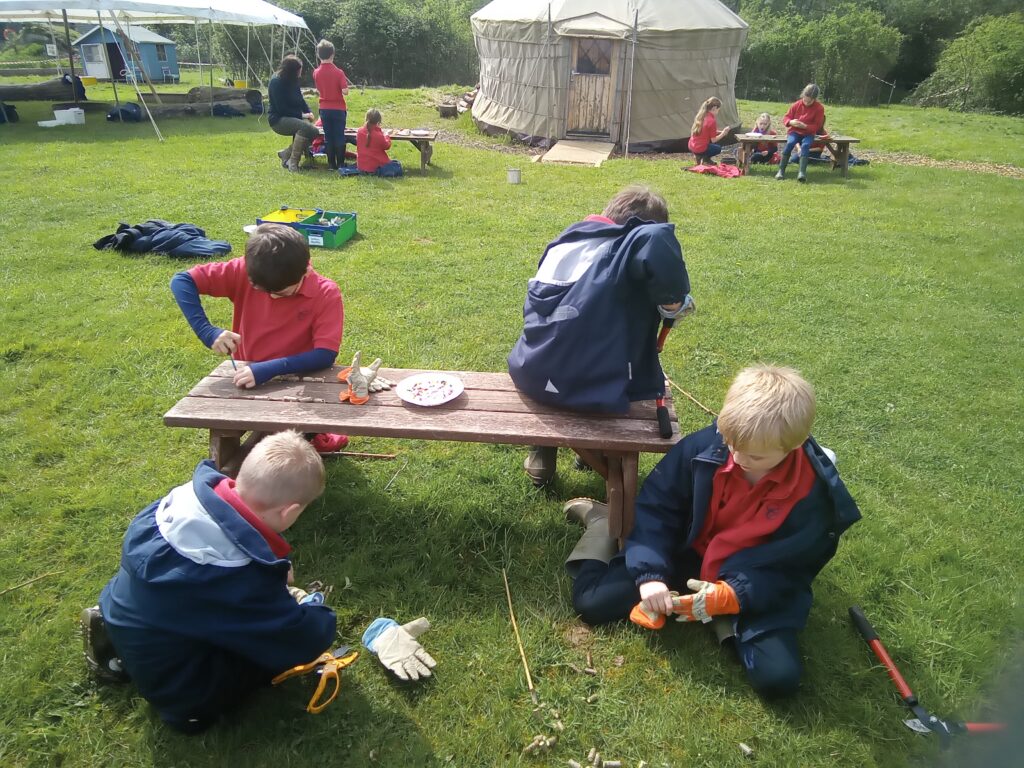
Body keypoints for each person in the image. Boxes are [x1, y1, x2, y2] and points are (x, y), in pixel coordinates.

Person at [564, 365, 861, 697]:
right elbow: (658, 507)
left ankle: (723, 614)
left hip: (747, 573)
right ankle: (603, 524)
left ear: (795, 445)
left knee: (778, 678)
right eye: (731, 442)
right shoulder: (708, 446)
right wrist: (650, 577)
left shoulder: (813, 496)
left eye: (754, 455)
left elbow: (794, 568)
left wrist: (735, 594)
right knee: (592, 603)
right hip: (687, 551)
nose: (737, 456)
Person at [80, 431, 337, 733]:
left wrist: (269, 568)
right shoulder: (239, 579)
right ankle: (188, 711)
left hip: (128, 611)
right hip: (179, 686)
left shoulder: (183, 501)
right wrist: (316, 613)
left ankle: (116, 640)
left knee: (172, 614)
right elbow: (298, 640)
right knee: (260, 657)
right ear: (290, 511)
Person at [508, 185, 693, 486]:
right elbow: (670, 297)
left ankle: (545, 451)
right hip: (588, 389)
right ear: (638, 230)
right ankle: (593, 449)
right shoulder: (636, 244)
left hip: (531, 371)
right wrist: (677, 301)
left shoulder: (565, 242)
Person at [170, 223, 349, 454]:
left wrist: (269, 369)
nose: (273, 297)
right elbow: (182, 281)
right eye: (266, 291)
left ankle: (310, 434)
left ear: (306, 271)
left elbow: (325, 355)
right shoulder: (248, 270)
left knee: (282, 448)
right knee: (262, 446)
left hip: (301, 379)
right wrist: (208, 332)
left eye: (283, 292)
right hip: (247, 377)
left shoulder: (326, 293)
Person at [268, 54, 319, 173]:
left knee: (314, 131)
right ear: (291, 71)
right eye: (299, 70)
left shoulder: (293, 80)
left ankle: (286, 153)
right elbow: (282, 109)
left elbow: (300, 99)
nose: (300, 72)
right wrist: (303, 116)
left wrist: (309, 112)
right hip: (278, 119)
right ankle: (293, 162)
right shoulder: (276, 83)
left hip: (292, 116)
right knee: (305, 127)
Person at [776, 84, 826, 183]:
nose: (806, 103)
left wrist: (805, 126)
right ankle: (781, 170)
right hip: (794, 131)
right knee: (790, 143)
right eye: (805, 100)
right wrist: (791, 122)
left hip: (808, 133)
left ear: (814, 99)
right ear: (803, 96)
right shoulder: (796, 104)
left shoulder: (819, 108)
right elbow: (786, 117)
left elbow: (817, 125)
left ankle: (801, 173)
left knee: (806, 145)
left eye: (809, 101)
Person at [312, 39, 350, 171]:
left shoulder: (316, 72)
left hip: (324, 108)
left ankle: (331, 164)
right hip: (338, 108)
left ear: (318, 55)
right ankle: (340, 163)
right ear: (332, 54)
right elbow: (345, 92)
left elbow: (318, 90)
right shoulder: (339, 72)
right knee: (339, 135)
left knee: (328, 136)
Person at [356, 108, 403, 177]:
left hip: (361, 167)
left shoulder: (360, 131)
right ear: (378, 121)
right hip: (375, 167)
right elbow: (387, 146)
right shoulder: (378, 135)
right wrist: (387, 135)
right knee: (397, 164)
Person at [688, 97, 734, 166]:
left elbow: (706, 131)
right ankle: (705, 159)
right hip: (700, 148)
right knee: (717, 148)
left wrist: (720, 131)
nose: (718, 112)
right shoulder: (712, 121)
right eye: (718, 110)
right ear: (714, 108)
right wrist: (723, 133)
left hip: (692, 146)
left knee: (707, 145)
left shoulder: (701, 116)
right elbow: (713, 140)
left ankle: (700, 157)